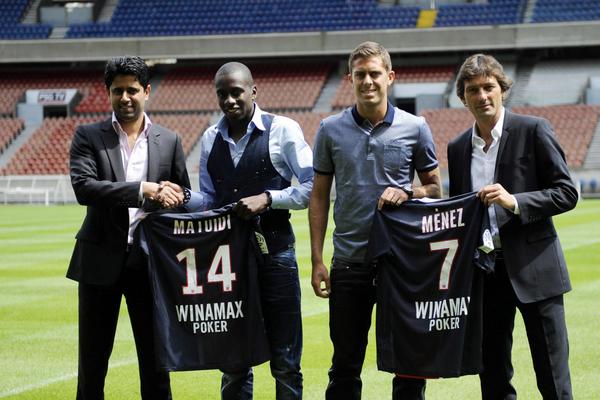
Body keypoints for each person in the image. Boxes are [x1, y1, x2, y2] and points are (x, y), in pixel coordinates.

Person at [309, 41, 442, 400]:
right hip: (349, 263)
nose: (367, 81)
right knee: (345, 364)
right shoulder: (329, 129)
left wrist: (409, 192)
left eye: (374, 73)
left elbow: (435, 189)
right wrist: (318, 260)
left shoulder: (416, 127)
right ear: (350, 79)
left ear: (390, 77)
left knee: (408, 364)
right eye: (360, 75)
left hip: (401, 265)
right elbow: (318, 195)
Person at [447, 53, 578, 400]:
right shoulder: (457, 148)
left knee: (553, 376)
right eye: (473, 90)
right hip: (485, 273)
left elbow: (567, 193)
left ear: (502, 89)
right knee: (492, 375)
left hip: (536, 269)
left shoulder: (533, 129)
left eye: (488, 87)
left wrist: (515, 201)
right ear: (463, 97)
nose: (482, 96)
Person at [183, 61, 312, 399]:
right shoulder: (210, 138)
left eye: (236, 92)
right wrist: (181, 197)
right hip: (229, 261)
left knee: (285, 360)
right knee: (233, 362)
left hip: (277, 255)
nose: (229, 100)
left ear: (253, 91)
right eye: (222, 94)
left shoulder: (283, 129)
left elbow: (313, 187)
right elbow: (210, 199)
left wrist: (269, 198)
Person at [68, 55, 190, 399]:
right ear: (108, 93)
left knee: (156, 363)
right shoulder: (88, 136)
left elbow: (184, 192)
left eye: (132, 90)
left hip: (150, 264)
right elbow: (84, 188)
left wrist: (176, 195)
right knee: (92, 364)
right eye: (117, 90)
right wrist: (142, 190)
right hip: (98, 261)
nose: (125, 97)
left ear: (147, 91)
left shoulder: (169, 139)